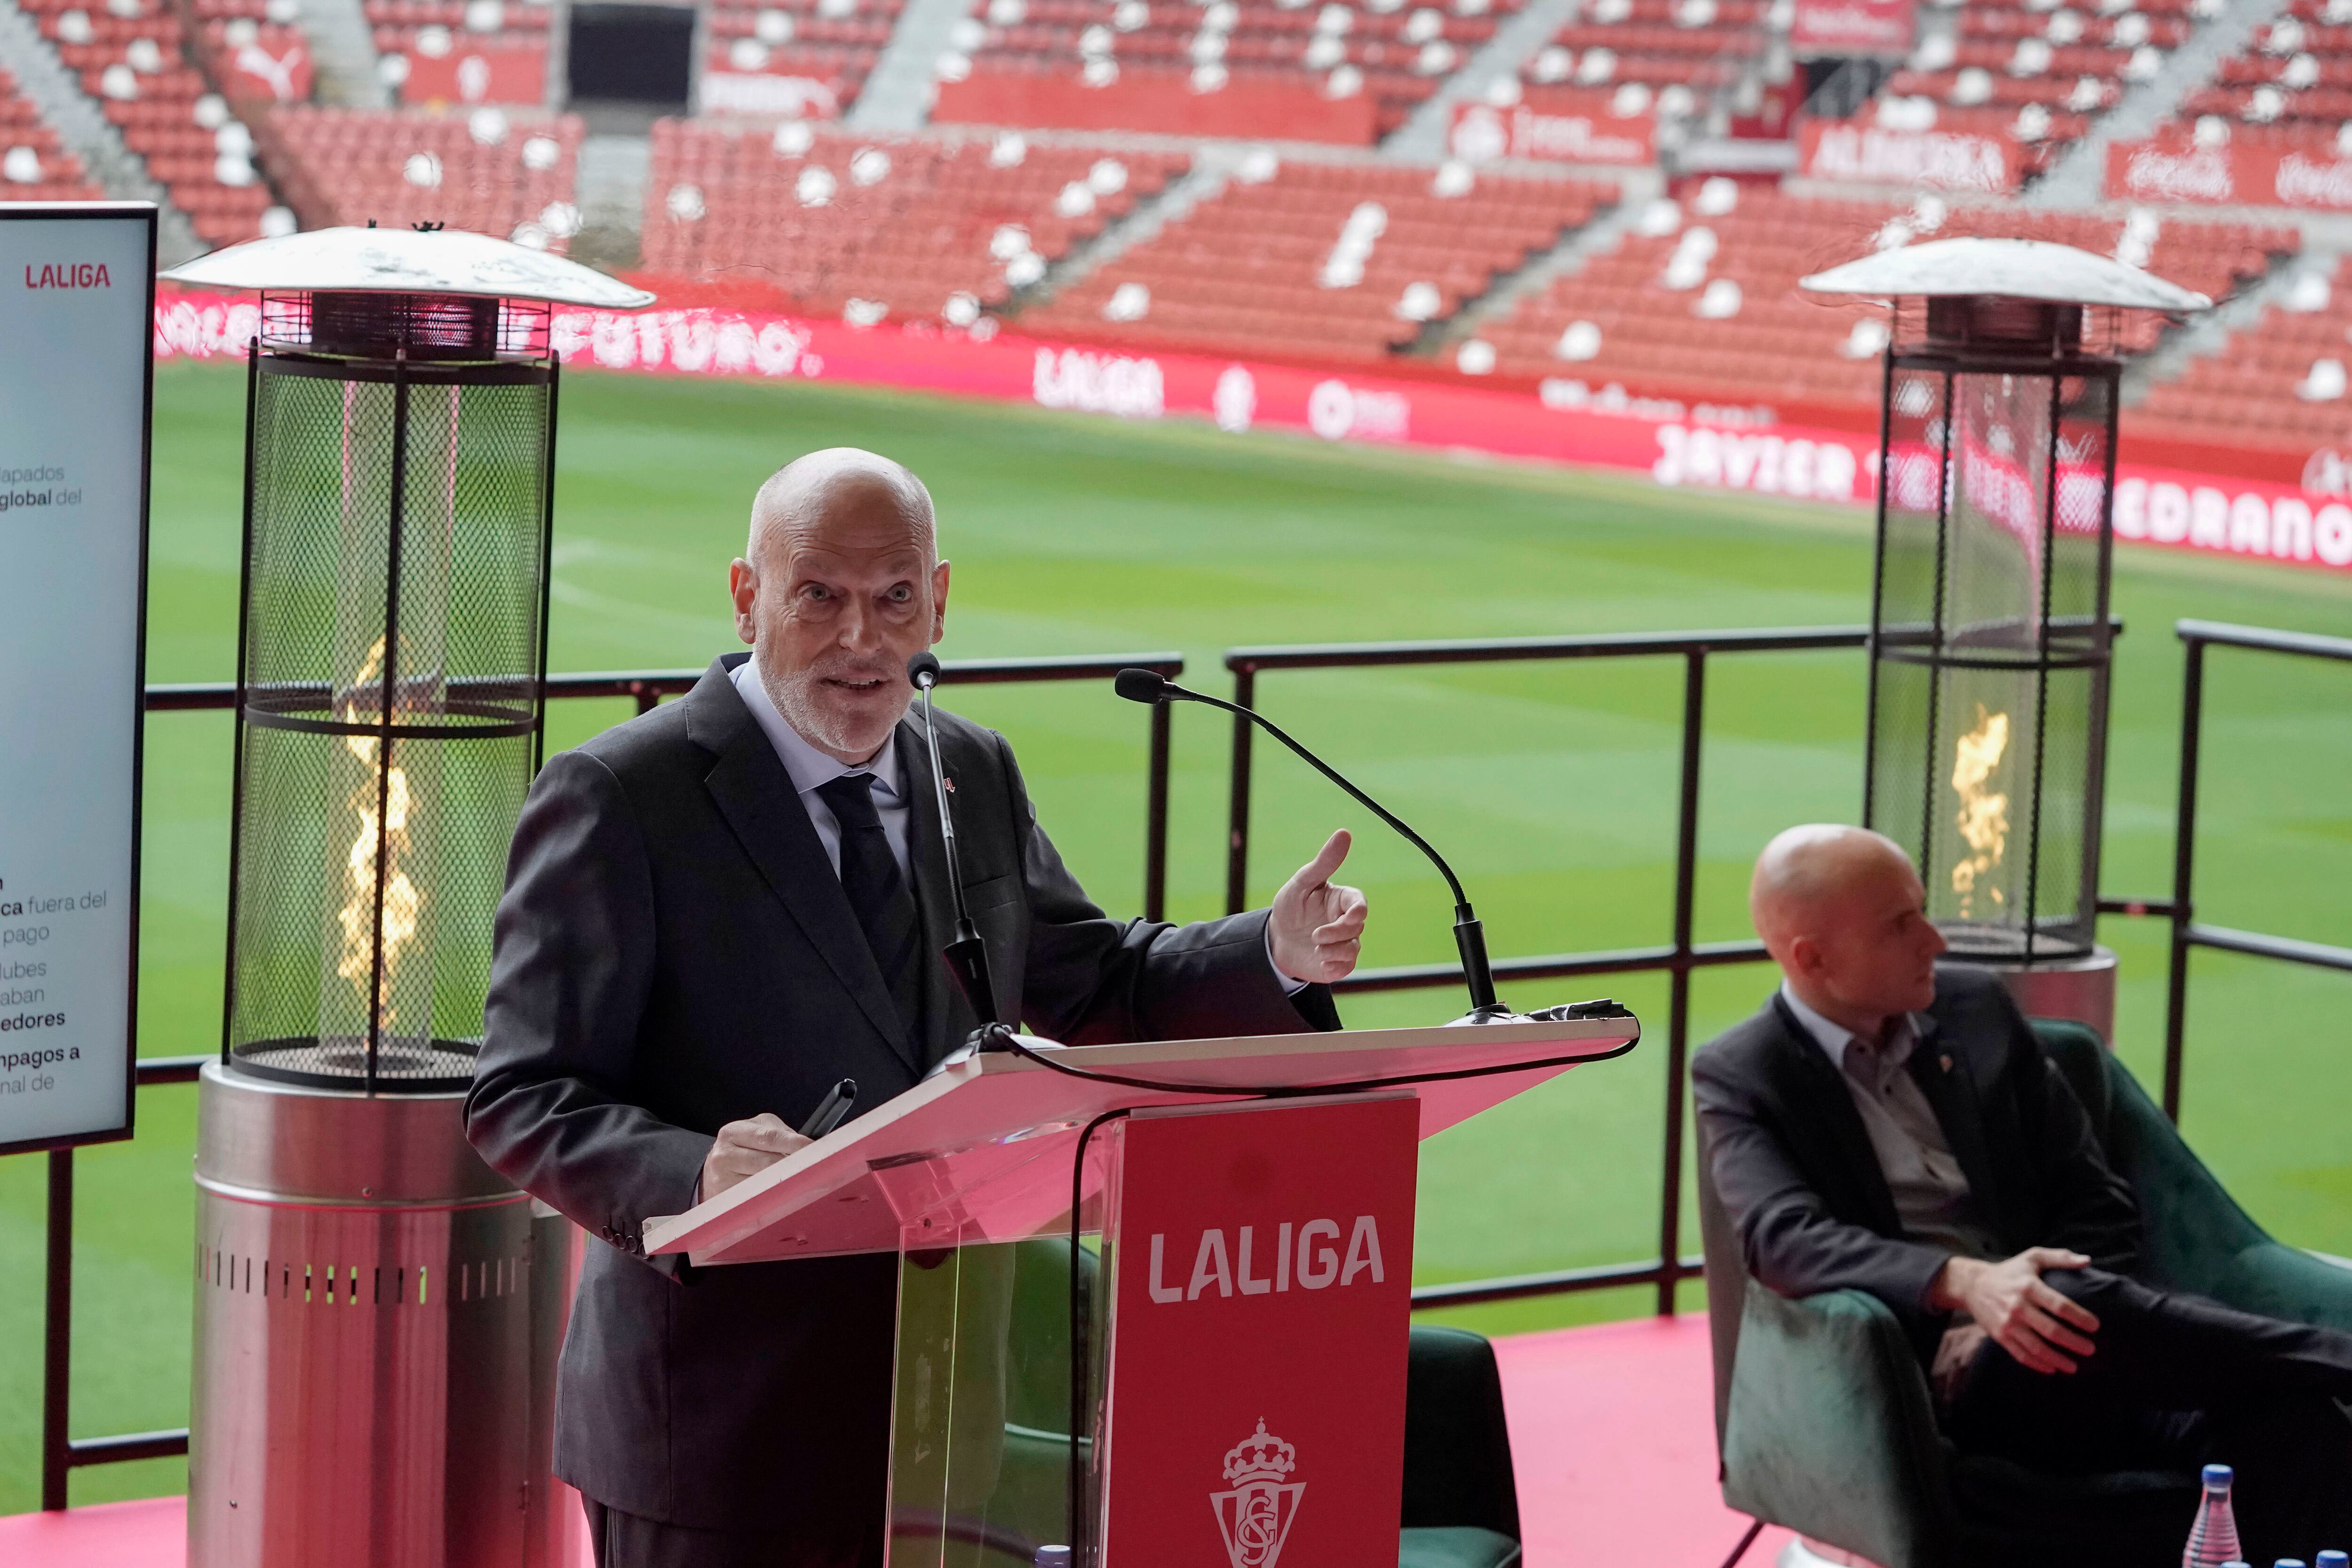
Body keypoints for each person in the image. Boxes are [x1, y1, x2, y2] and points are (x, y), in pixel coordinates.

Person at [465, 449, 1371, 1568]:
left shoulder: (970, 771)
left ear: (938, 598)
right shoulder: (621, 795)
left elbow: (1097, 982)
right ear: (747, 594)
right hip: (716, 1429)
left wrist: (1272, 952)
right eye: (820, 595)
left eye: (895, 597)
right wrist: (693, 1169)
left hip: (943, 1414)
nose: (864, 639)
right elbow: (520, 1093)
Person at [1693, 823, 2352, 1562]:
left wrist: (2025, 1292)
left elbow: (2096, 1198)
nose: (1936, 940)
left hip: (2088, 1340)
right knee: (2057, 1301)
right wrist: (1968, 1288)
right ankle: (2335, 1351)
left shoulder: (1975, 1010)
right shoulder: (1745, 1073)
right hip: (1926, 1382)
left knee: (2296, 1421)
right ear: (1811, 957)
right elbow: (1784, 1237)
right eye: (1901, 924)